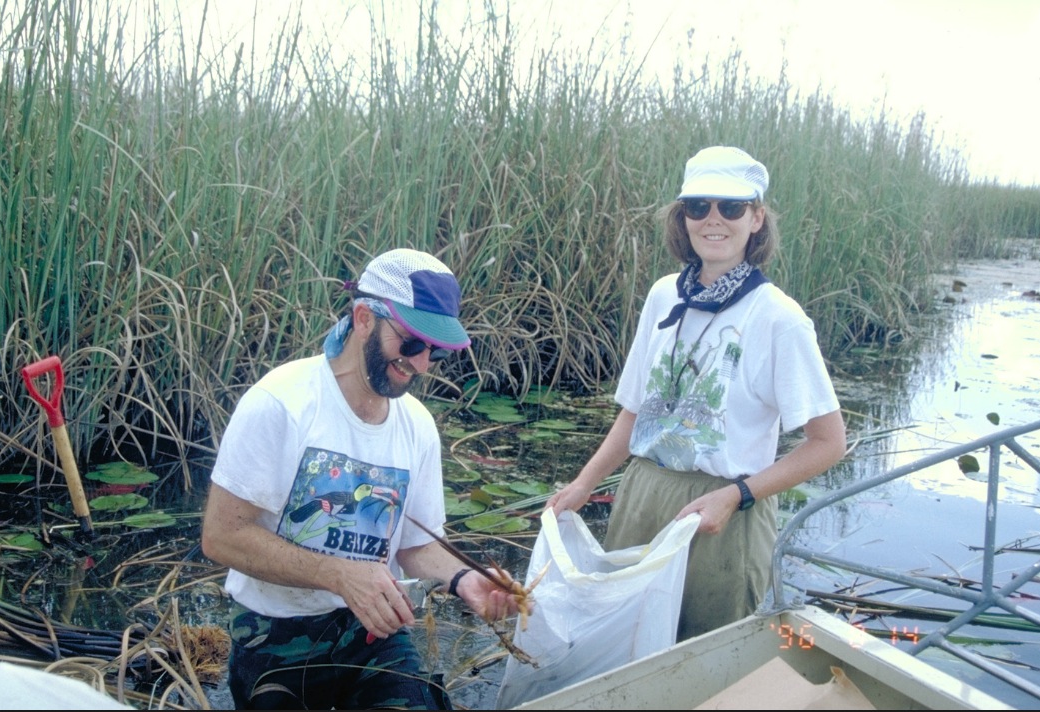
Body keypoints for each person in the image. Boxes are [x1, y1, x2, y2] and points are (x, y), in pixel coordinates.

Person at [546, 146, 847, 641]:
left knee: (702, 658)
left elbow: (828, 443)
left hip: (725, 513)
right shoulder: (664, 295)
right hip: (643, 493)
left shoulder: (779, 317)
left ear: (757, 218)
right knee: (621, 647)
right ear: (682, 216)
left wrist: (737, 495)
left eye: (731, 208)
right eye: (699, 206)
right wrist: (584, 484)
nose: (713, 220)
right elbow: (637, 412)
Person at [201, 248, 523, 710]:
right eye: (411, 342)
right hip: (274, 635)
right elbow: (221, 536)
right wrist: (339, 575)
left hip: (372, 632)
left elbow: (413, 544)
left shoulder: (417, 426)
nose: (421, 362)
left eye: (435, 350)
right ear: (364, 318)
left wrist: (463, 578)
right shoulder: (280, 403)